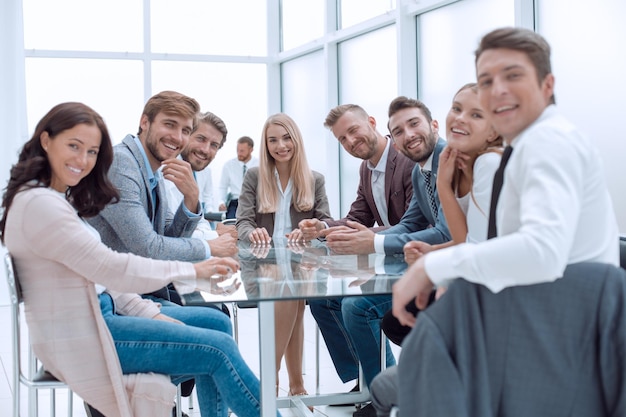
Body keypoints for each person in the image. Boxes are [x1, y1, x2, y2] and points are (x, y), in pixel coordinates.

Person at [391, 27, 620, 416]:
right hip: (546, 313)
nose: (496, 90)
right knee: (430, 342)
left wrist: (434, 264)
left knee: (430, 349)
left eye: (512, 76)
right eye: (486, 81)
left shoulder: (548, 143)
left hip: (568, 329)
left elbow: (543, 251)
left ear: (547, 85)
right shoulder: (526, 144)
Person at [0, 102, 281, 417]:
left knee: (215, 321)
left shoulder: (53, 198)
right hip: (85, 335)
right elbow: (113, 266)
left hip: (100, 317)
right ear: (46, 140)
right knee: (218, 349)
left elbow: (101, 276)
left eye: (92, 152)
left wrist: (151, 313)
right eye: (74, 146)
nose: (83, 160)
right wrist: (194, 266)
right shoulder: (41, 204)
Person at [309, 97, 452, 417]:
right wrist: (329, 229)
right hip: (406, 256)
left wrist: (371, 242)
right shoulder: (418, 170)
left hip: (432, 262)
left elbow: (441, 231)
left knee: (356, 305)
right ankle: (368, 384)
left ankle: (382, 394)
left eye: (413, 124)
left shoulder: (444, 160)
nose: (349, 142)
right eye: (341, 139)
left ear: (433, 124)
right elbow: (404, 223)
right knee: (322, 298)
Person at [370, 82, 503, 416]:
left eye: (476, 114)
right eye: (457, 108)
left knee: (389, 320)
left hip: (500, 302)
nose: (459, 119)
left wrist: (433, 266)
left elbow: (477, 249)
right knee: (396, 320)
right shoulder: (454, 165)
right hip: (481, 290)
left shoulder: (486, 165)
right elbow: (468, 241)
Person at [88, 91, 237, 307]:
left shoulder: (154, 170)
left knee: (218, 315)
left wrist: (191, 199)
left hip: (139, 290)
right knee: (217, 318)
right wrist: (210, 247)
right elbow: (149, 248)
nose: (177, 137)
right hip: (115, 299)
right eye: (169, 124)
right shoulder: (121, 164)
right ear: (145, 122)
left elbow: (171, 235)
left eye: (185, 130)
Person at [236, 113, 333, 402]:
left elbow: (326, 222)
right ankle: (287, 382)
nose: (281, 145)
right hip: (263, 263)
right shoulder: (254, 175)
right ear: (265, 145)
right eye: (273, 140)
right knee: (294, 303)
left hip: (301, 262)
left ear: (296, 140)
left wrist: (312, 230)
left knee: (295, 302)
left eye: (286, 137)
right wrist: (251, 233)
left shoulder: (315, 179)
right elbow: (241, 221)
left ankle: (277, 381)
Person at [298, 104, 415, 240]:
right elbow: (359, 218)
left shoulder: (408, 159)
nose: (351, 141)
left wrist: (366, 236)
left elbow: (414, 224)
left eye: (353, 130)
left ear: (372, 123)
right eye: (343, 139)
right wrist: (322, 227)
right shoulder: (366, 169)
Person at [164, 111, 236, 241]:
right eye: (201, 139)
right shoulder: (167, 170)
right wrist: (216, 234)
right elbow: (172, 234)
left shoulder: (192, 171)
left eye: (214, 145)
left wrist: (208, 232)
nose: (205, 150)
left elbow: (200, 222)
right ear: (186, 135)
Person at [218, 135, 258, 219]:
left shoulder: (260, 165)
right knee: (230, 224)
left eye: (242, 151)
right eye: (238, 150)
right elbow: (223, 187)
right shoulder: (229, 165)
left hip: (255, 201)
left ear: (251, 150)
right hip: (236, 202)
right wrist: (221, 202)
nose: (239, 153)